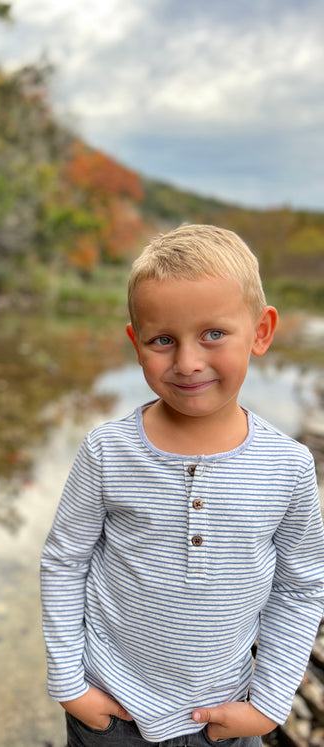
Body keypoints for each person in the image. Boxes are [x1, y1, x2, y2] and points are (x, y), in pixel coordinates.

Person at [40, 224, 324, 746]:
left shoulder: (289, 467)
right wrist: (68, 682)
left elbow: (301, 588)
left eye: (213, 334)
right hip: (110, 710)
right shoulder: (107, 451)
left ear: (261, 331)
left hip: (225, 716)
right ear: (136, 343)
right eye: (163, 340)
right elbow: (64, 561)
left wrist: (268, 703)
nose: (188, 362)